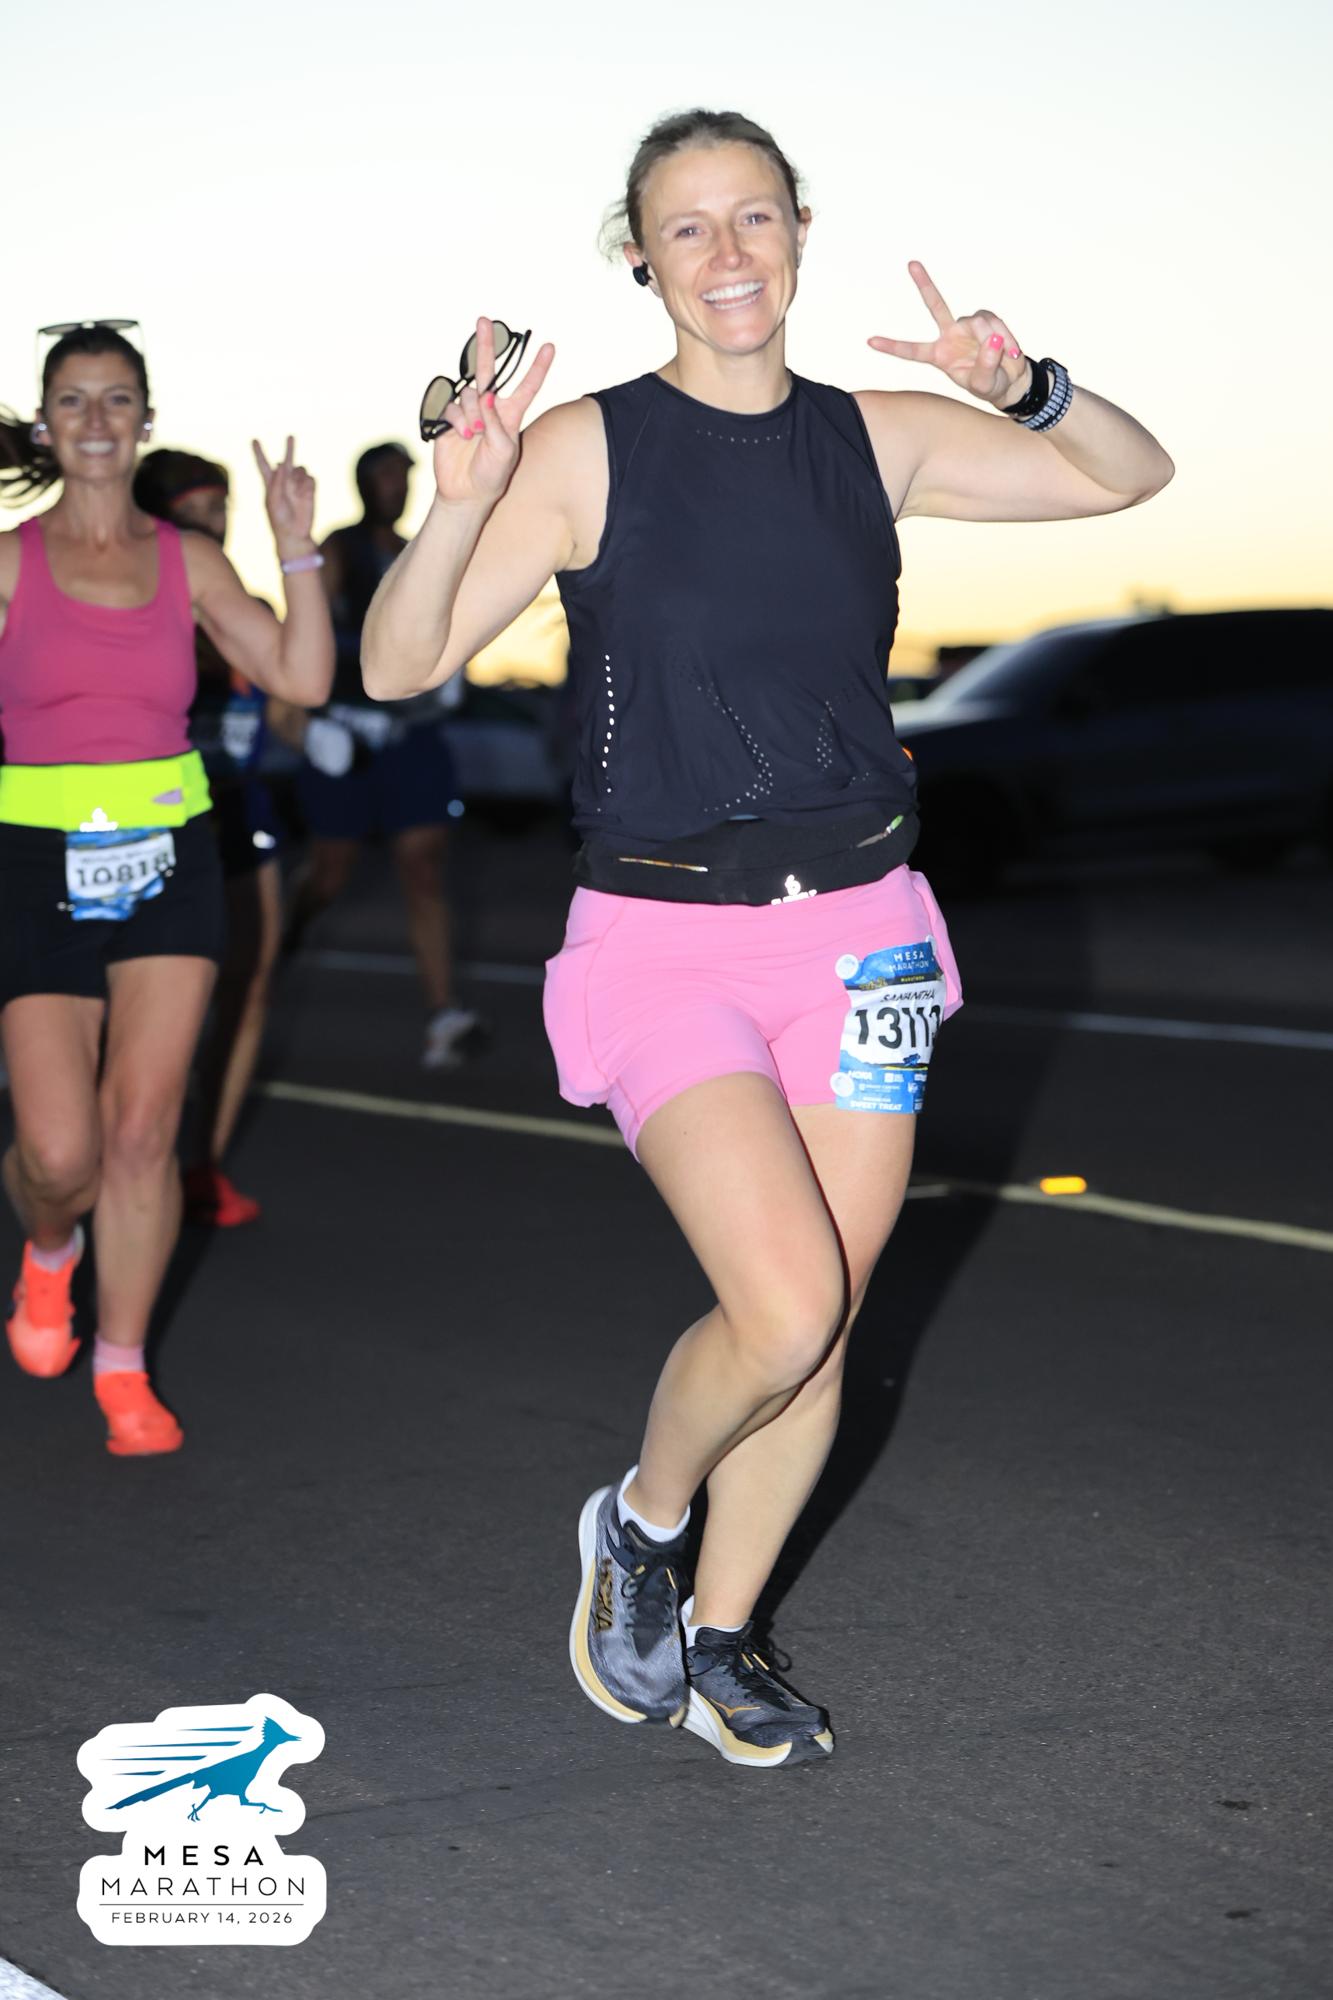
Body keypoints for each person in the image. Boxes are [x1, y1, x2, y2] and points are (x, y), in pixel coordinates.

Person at [363, 109, 1173, 1765]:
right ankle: (641, 1524)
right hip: (663, 941)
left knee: (825, 1327)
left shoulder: (877, 438)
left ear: (798, 231)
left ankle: (722, 1635)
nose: (725, 252)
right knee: (785, 1304)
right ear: (639, 258)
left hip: (861, 940)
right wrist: (459, 501)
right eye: (686, 226)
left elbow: (1127, 474)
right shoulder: (586, 449)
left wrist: (1023, 385)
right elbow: (394, 665)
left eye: (753, 216)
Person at [0, 323, 334, 1453]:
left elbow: (302, 675)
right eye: (74, 400)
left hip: (167, 858)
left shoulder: (187, 561)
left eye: (117, 399)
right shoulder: (10, 562)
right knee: (61, 1153)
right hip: (36, 862)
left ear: (145, 420)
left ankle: (123, 1366)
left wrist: (296, 548)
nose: (96, 420)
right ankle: (51, 1251)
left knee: (142, 1131)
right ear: (45, 423)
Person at [283, 442, 480, 1070]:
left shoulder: (421, 550)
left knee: (423, 867)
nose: (397, 486)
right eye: (386, 476)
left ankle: (443, 1012)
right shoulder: (340, 549)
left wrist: (454, 666)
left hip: (412, 739)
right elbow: (310, 627)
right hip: (347, 734)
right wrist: (312, 720)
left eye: (404, 476)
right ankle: (279, 939)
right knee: (330, 874)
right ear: (365, 483)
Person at [133, 448, 285, 1227]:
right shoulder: (139, 606)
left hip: (240, 806)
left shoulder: (243, 603)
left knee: (250, 978)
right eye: (189, 511)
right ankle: (134, 1154)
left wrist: (326, 730)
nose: (209, 524)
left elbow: (286, 699)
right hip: (155, 814)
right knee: (147, 1000)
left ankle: (203, 1164)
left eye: (218, 507)